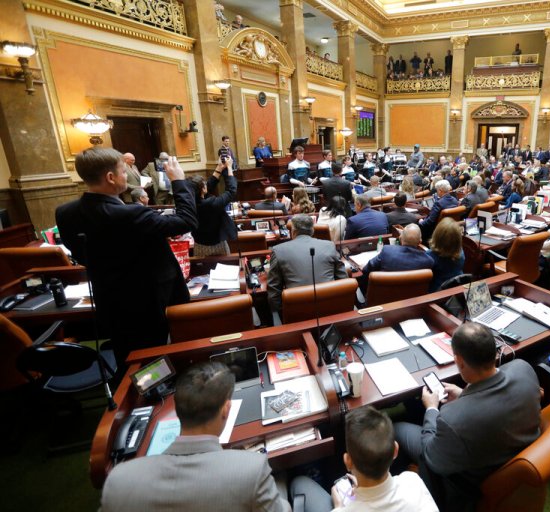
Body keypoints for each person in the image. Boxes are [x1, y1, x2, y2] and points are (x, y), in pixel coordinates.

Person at [56, 148, 197, 365]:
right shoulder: (131, 214)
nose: (128, 176)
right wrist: (179, 182)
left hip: (109, 301)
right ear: (111, 177)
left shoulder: (65, 212)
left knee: (129, 358)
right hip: (148, 303)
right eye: (124, 171)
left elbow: (81, 254)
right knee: (154, 359)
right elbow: (186, 221)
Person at [100, 361, 290, 512]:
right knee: (293, 481)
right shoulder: (252, 469)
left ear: (176, 408)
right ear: (226, 409)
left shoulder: (119, 480)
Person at [394, 322, 541, 512]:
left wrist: (431, 408)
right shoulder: (523, 368)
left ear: (459, 361)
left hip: (470, 478)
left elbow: (431, 455)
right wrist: (464, 394)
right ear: (495, 352)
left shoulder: (452, 419)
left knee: (395, 428)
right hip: (509, 453)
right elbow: (495, 397)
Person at [290, 407, 438, 512]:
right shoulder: (413, 482)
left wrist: (339, 507)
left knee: (299, 482)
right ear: (395, 450)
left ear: (348, 461)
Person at [267, 214, 346, 314]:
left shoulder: (278, 250)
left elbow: (273, 291)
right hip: (331, 309)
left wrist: (280, 314)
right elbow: (343, 279)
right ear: (312, 230)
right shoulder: (329, 245)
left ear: (293, 231)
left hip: (297, 314)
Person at [188, 157, 237, 257]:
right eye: (204, 184)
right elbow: (231, 190)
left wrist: (219, 168)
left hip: (199, 245)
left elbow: (208, 185)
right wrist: (229, 168)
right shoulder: (212, 204)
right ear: (202, 190)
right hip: (218, 245)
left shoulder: (189, 203)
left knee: (203, 271)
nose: (207, 184)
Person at [361, 224, 433, 289]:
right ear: (420, 241)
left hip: (383, 301)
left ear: (400, 238)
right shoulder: (429, 261)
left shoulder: (387, 250)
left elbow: (366, 269)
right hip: (412, 301)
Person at [427, 218, 464, 292]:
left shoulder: (430, 257)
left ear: (437, 235)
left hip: (436, 295)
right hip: (457, 291)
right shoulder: (461, 252)